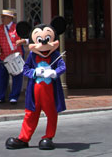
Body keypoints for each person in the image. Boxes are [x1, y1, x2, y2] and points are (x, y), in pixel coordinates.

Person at [6, 17, 67, 151]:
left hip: (50, 94)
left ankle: (48, 137)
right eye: (39, 41)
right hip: (34, 94)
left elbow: (62, 67)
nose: (43, 45)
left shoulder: (55, 55)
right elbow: (25, 70)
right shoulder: (32, 56)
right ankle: (23, 138)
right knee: (30, 114)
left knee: (51, 114)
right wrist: (35, 72)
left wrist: (54, 73)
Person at [0, 9, 27, 104]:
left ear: (10, 18)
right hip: (3, 56)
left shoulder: (17, 28)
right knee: (0, 76)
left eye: (4, 17)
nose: (2, 19)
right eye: (2, 17)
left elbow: (27, 38)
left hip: (15, 55)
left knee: (17, 75)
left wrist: (21, 41)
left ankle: (14, 97)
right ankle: (0, 96)